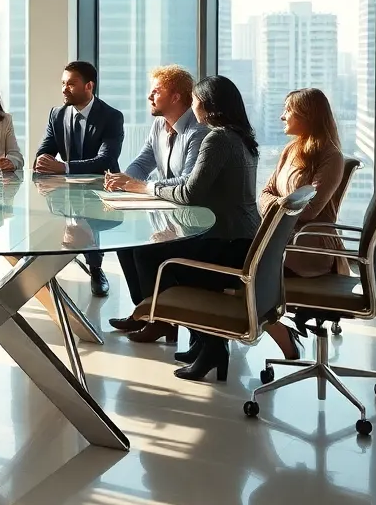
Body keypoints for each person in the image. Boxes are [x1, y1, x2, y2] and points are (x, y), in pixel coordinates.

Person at [107, 75, 261, 383]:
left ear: (207, 105)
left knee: (153, 255)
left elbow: (190, 192)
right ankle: (199, 339)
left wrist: (146, 187)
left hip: (225, 244)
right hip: (240, 240)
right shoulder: (243, 138)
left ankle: (178, 326)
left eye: (196, 101)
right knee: (149, 249)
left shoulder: (216, 139)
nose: (193, 106)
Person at [256, 88, 349, 359]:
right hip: (282, 239)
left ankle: (282, 336)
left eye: (288, 109)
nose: (281, 115)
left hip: (308, 249)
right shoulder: (291, 149)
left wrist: (279, 206)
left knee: (242, 275)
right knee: (231, 263)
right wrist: (284, 205)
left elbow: (309, 210)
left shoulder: (331, 156)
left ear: (307, 115)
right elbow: (264, 193)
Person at [103, 65, 207, 305]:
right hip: (165, 212)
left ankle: (159, 317)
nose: (149, 97)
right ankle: (145, 311)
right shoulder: (159, 126)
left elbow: (186, 181)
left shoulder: (197, 130)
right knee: (125, 246)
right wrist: (124, 180)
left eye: (156, 92)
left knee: (144, 250)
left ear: (176, 97)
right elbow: (143, 162)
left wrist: (139, 185)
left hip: (190, 218)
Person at [34, 60, 124, 297]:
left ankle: (96, 269)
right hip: (67, 188)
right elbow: (46, 147)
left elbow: (106, 160)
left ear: (89, 86)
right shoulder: (57, 113)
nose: (64, 89)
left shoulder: (111, 117)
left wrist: (63, 167)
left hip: (101, 188)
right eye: (63, 83)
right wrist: (41, 160)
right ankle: (42, 271)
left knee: (87, 219)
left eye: (71, 84)